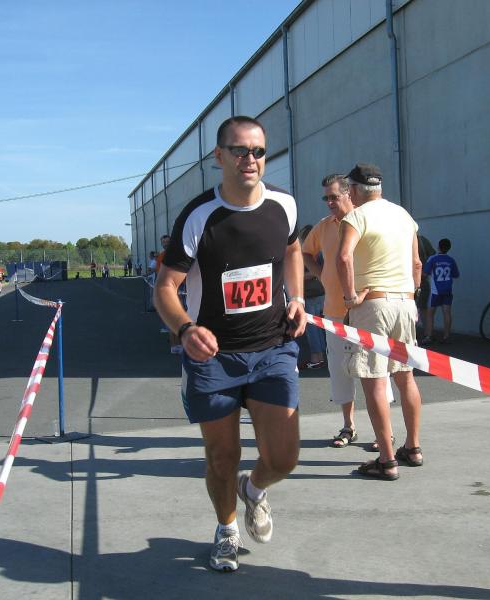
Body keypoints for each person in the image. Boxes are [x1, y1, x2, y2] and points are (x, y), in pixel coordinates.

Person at [154, 115, 306, 573]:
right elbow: (165, 287)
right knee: (222, 457)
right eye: (240, 151)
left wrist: (297, 297)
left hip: (273, 348)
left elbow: (293, 249)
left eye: (258, 151)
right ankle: (226, 529)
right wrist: (185, 329)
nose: (250, 159)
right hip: (214, 357)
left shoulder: (284, 204)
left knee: (284, 457)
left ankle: (253, 489)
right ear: (218, 156)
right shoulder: (199, 215)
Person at [336, 163, 423, 480]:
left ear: (354, 190)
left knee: (374, 380)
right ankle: (413, 447)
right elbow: (417, 262)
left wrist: (349, 297)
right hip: (405, 301)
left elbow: (344, 257)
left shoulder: (356, 217)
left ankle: (386, 460)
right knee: (405, 376)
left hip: (373, 304)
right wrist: (413, 295)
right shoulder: (403, 216)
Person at [302, 173, 394, 449]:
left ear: (349, 194)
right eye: (326, 198)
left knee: (377, 373)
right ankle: (348, 426)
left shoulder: (367, 219)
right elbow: (305, 252)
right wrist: (322, 274)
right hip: (334, 313)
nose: (329, 202)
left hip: (368, 312)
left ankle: (384, 434)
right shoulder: (323, 226)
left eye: (334, 197)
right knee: (340, 371)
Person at [421, 238, 460, 345]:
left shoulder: (433, 259)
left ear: (438, 246)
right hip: (447, 290)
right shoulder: (451, 260)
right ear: (449, 248)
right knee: (447, 312)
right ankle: (446, 336)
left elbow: (425, 274)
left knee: (430, 313)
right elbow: (456, 275)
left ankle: (429, 336)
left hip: (435, 291)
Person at [297, 224, 326, 369]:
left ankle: (317, 356)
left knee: (312, 328)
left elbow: (318, 272)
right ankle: (321, 356)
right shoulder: (320, 252)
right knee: (319, 327)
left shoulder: (306, 254)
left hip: (311, 295)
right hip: (320, 293)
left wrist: (300, 276)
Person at [415, 233, 436, 333]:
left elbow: (433, 257)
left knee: (421, 308)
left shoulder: (421, 241)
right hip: (415, 280)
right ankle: (427, 334)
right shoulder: (422, 240)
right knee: (421, 308)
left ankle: (427, 334)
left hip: (419, 280)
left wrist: (425, 272)